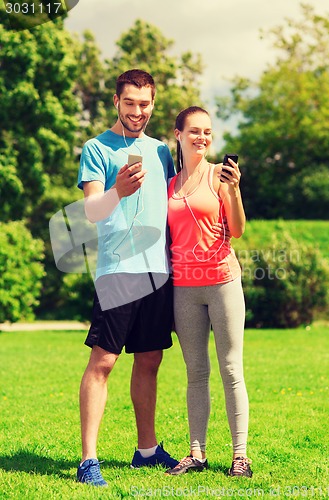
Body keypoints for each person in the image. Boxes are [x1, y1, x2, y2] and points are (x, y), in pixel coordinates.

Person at [76, 69, 178, 487]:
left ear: (153, 104)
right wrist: (117, 189)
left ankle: (146, 450)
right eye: (130, 103)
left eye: (145, 104)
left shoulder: (160, 151)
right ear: (116, 102)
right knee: (103, 362)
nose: (138, 111)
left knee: (150, 359)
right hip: (119, 270)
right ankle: (88, 460)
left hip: (158, 271)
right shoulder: (96, 148)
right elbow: (92, 212)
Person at [165, 106, 252, 477]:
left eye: (208, 132)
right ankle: (197, 453)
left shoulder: (220, 176)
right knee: (196, 372)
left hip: (222, 283)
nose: (202, 137)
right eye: (195, 131)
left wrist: (233, 191)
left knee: (231, 369)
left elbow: (238, 228)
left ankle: (240, 456)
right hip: (184, 288)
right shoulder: (169, 184)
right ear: (179, 135)